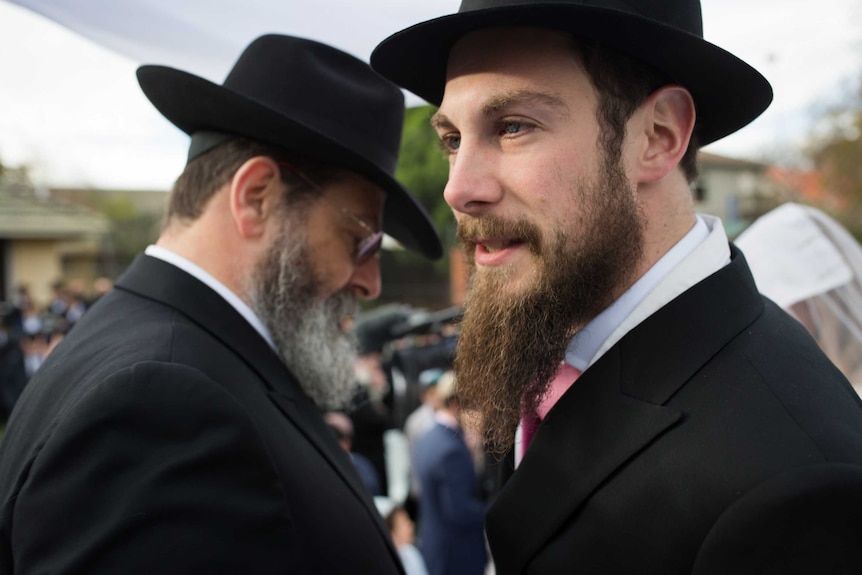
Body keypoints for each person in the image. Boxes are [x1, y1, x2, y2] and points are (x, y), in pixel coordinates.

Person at [371, 1, 862, 573]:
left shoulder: (793, 484)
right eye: (452, 138)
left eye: (511, 127)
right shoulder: (550, 343)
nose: (459, 188)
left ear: (658, 136)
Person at [0, 34, 441, 574]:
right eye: (362, 241)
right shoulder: (159, 403)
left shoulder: (178, 359)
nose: (371, 282)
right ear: (256, 196)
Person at [413, 371, 487, 575]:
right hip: (457, 556)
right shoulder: (451, 450)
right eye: (476, 406)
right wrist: (496, 509)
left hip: (436, 548)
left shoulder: (427, 438)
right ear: (456, 405)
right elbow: (460, 511)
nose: (480, 415)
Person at [325, 410, 384, 497]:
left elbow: (372, 490)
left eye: (337, 435)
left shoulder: (361, 465)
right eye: (328, 435)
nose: (332, 442)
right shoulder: (317, 465)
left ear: (347, 442)